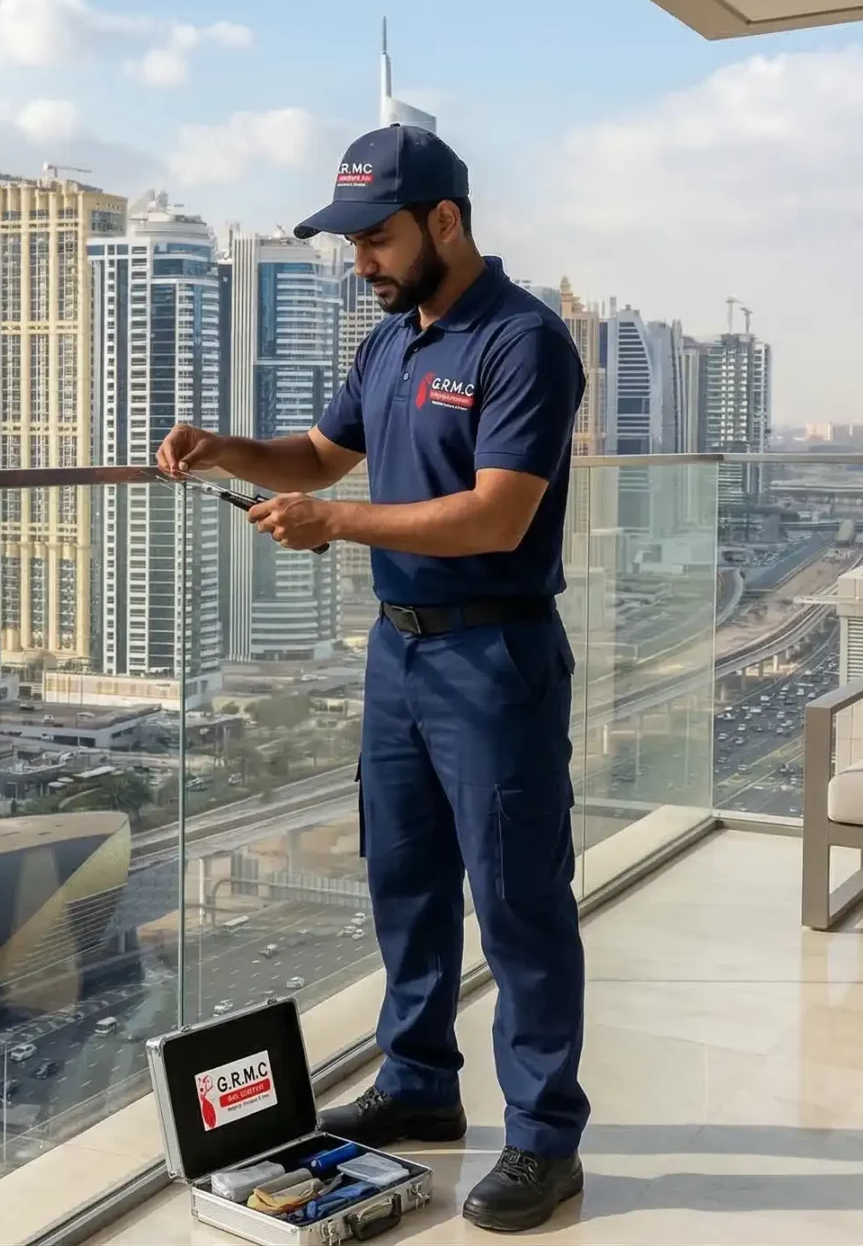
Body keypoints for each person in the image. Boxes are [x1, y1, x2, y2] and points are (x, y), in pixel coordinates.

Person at [155, 124, 589, 1233]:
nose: (363, 265)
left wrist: (334, 524)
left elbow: (499, 509)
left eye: (378, 239)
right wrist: (223, 449)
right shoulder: (390, 344)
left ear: (446, 220)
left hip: (495, 655)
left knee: (519, 901)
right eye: (352, 244)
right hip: (399, 654)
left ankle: (542, 1139)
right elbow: (315, 455)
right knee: (404, 878)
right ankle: (419, 1085)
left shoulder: (521, 342)